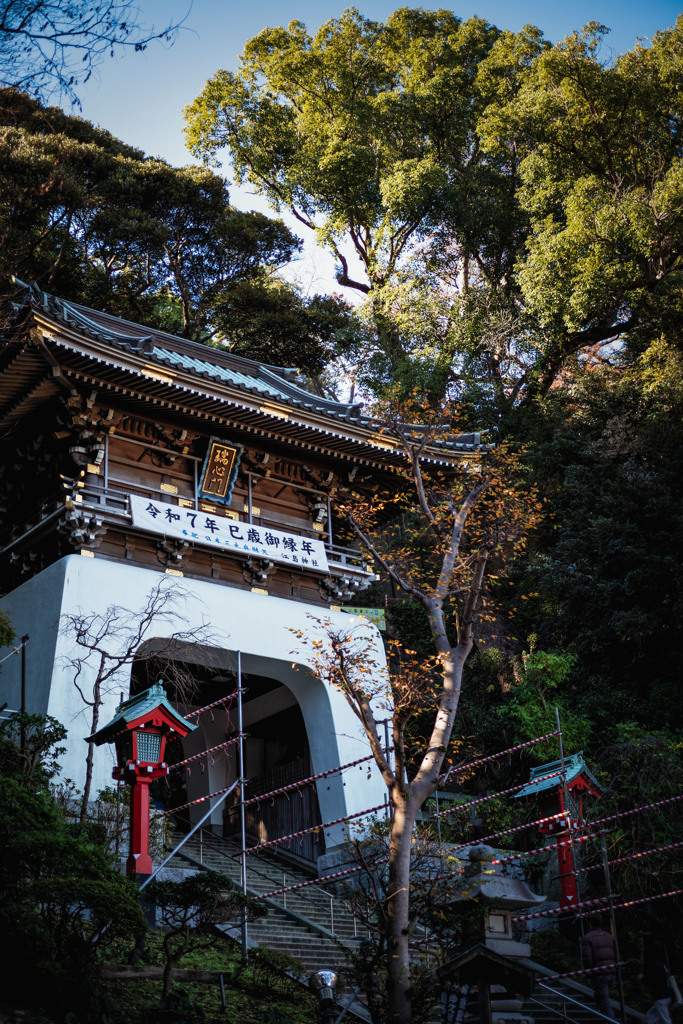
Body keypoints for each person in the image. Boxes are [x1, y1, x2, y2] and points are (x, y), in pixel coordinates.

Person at [581, 916, 617, 1019]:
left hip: (599, 973)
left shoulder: (588, 938)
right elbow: (616, 953)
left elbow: (587, 958)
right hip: (611, 971)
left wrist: (588, 973)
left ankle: (611, 1020)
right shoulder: (609, 936)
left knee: (604, 1002)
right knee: (601, 999)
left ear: (590, 924)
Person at [642, 935, 672, 1024]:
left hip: (660, 996)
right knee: (650, 1017)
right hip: (666, 994)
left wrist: (643, 978)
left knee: (665, 1020)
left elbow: (650, 980)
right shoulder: (661, 963)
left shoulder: (651, 965)